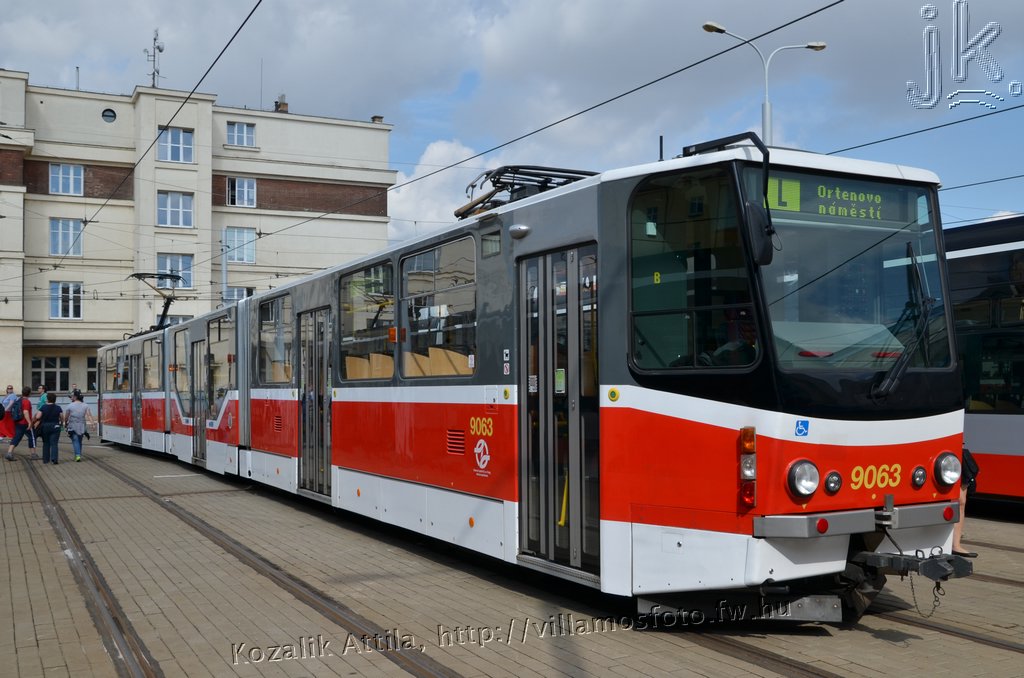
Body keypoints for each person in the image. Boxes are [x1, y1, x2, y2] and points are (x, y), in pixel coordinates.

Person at [952, 446, 980, 558]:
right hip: (947, 450)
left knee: (960, 502)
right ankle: (954, 544)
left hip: (956, 449)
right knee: (959, 502)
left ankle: (955, 544)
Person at [5, 387, 36, 461]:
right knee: (32, 437)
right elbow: (25, 412)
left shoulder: (19, 399)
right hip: (25, 423)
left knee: (17, 437)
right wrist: (29, 422)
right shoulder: (26, 401)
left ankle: (9, 453)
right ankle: (33, 454)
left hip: (17, 421)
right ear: (29, 393)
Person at [63, 390, 94, 462]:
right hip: (82, 425)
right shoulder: (85, 405)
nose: (71, 397)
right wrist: (92, 424)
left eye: (72, 396)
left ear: (75, 397)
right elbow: (89, 415)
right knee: (79, 440)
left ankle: (77, 455)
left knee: (75, 440)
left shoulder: (70, 405)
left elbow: (66, 416)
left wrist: (65, 423)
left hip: (73, 425)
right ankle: (78, 455)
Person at [34, 392, 63, 465]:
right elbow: (61, 417)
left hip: (45, 426)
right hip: (55, 426)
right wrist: (61, 423)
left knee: (46, 443)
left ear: (47, 399)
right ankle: (54, 459)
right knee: (54, 443)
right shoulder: (58, 407)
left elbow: (38, 416)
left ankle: (46, 459)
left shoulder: (43, 407)